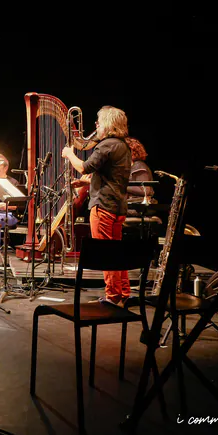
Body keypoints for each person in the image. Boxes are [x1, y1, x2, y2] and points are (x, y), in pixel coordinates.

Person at [62, 105, 132, 306]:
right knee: (116, 252)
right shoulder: (123, 146)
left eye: (99, 122)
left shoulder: (106, 145)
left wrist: (69, 153)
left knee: (106, 253)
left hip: (103, 206)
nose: (96, 125)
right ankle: (123, 293)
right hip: (118, 206)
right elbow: (114, 177)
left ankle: (112, 296)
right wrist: (87, 182)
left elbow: (84, 166)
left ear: (108, 124)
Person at [124, 137, 156, 211]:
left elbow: (145, 190)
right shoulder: (129, 167)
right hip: (131, 205)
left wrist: (120, 185)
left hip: (139, 207)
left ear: (131, 151)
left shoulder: (139, 165)